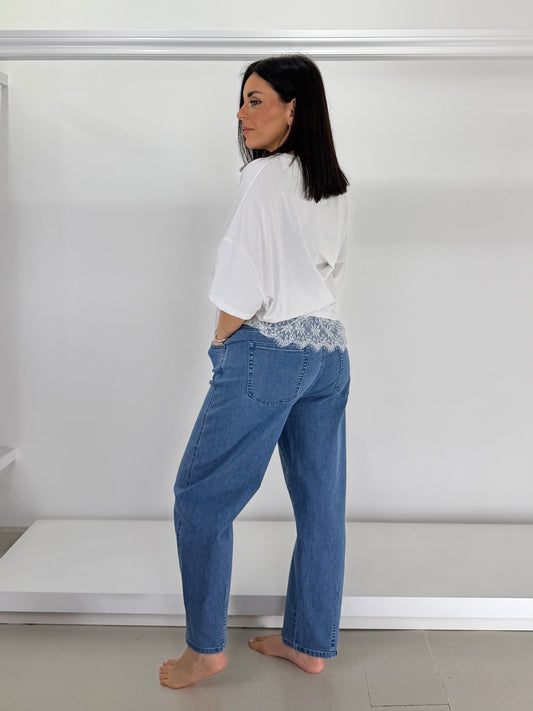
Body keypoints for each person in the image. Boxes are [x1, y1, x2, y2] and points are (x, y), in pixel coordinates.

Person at [159, 53, 350, 690]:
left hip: (267, 349)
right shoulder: (332, 185)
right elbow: (329, 270)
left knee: (200, 497)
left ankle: (204, 649)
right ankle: (310, 644)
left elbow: (241, 273)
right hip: (329, 352)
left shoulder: (265, 177)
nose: (241, 114)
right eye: (241, 100)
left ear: (294, 109)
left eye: (256, 100)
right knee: (321, 505)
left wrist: (221, 341)